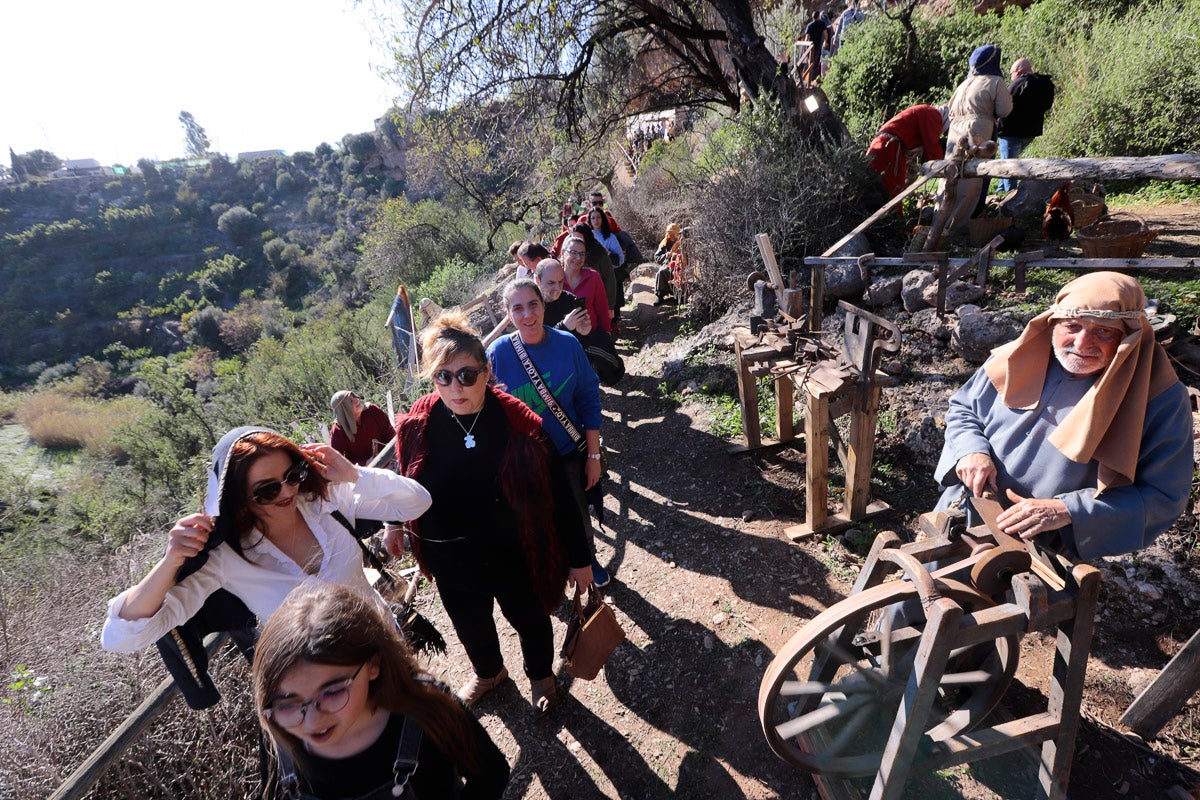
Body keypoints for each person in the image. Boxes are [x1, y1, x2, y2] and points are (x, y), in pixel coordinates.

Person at [389, 312, 593, 711]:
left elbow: (561, 494)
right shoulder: (418, 425)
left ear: (486, 372)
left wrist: (579, 558)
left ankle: (540, 676)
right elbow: (405, 481)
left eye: (466, 375)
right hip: (451, 557)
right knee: (470, 624)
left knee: (531, 617)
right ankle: (490, 672)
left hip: (515, 551)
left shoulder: (519, 423)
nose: (455, 387)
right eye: (442, 377)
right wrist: (395, 523)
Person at [101, 428, 433, 653]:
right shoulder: (226, 559)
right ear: (237, 498)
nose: (288, 491)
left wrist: (355, 475)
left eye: (293, 475)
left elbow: (417, 502)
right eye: (267, 489)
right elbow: (121, 637)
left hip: (387, 646)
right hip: (325, 692)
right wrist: (171, 561)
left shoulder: (325, 502)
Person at [935, 272, 1192, 559]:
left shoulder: (1160, 399)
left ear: (1130, 336)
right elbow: (963, 408)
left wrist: (1067, 510)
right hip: (961, 517)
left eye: (1104, 331)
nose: (1082, 344)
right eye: (1072, 326)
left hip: (1041, 551)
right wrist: (970, 451)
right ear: (1053, 322)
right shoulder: (1013, 359)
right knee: (914, 597)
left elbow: (1163, 497)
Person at [253, 582, 510, 799]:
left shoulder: (425, 710)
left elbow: (491, 773)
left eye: (331, 692)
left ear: (373, 665)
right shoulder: (278, 739)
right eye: (288, 704)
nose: (312, 720)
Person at [487, 279, 610, 587]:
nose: (527, 315)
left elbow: (588, 399)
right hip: (527, 460)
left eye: (533, 305)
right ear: (508, 314)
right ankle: (553, 567)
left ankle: (586, 559)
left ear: (544, 305)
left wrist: (593, 455)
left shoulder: (567, 344)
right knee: (536, 519)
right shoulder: (498, 355)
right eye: (517, 308)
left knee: (578, 512)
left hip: (568, 451)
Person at [940, 44, 1013, 232]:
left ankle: (940, 220)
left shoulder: (964, 84)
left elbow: (950, 110)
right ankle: (961, 226)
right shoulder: (995, 81)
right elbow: (1004, 110)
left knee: (951, 174)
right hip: (978, 129)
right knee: (971, 179)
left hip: (955, 132)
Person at [995, 58, 1056, 193]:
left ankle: (1009, 198)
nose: (1011, 77)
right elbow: (1047, 105)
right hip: (1030, 132)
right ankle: (1000, 191)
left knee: (1009, 166)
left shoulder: (1019, 83)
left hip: (1010, 132)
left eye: (1011, 73)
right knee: (1008, 161)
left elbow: (1005, 104)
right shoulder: (1044, 84)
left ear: (1017, 71)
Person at [866, 104, 946, 200]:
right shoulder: (933, 114)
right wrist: (944, 165)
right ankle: (893, 215)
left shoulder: (925, 111)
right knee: (891, 189)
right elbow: (932, 146)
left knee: (873, 185)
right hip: (889, 146)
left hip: (883, 144)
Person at [559, 235, 613, 335]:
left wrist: (606, 334)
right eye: (573, 253)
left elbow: (603, 311)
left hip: (591, 337)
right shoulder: (554, 278)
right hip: (562, 338)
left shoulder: (593, 277)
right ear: (563, 253)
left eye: (582, 254)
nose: (578, 258)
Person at [330, 391, 394, 467]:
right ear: (344, 410)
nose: (356, 400)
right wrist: (365, 463)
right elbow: (339, 460)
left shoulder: (373, 410)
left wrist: (391, 453)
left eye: (354, 397)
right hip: (366, 472)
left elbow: (390, 433)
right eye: (350, 401)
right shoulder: (338, 431)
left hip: (391, 460)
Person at [535, 258, 594, 338]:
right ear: (538, 281)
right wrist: (563, 327)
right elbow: (537, 342)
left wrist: (583, 332)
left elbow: (577, 342)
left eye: (560, 281)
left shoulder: (570, 300)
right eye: (551, 283)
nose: (558, 288)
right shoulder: (531, 305)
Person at [801, 11, 831, 87]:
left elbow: (807, 38)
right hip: (817, 47)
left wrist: (805, 48)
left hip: (810, 47)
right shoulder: (822, 24)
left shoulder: (809, 25)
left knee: (810, 63)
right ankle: (811, 81)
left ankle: (809, 80)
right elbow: (826, 34)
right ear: (818, 17)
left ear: (813, 17)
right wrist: (825, 41)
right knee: (814, 64)